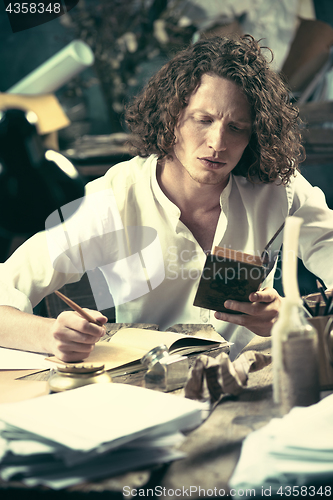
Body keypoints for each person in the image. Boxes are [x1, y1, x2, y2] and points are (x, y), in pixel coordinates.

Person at [1, 34, 333, 361]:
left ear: (254, 134)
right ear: (172, 116)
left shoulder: (278, 189)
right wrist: (50, 335)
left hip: (253, 382)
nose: (217, 142)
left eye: (236, 128)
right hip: (151, 386)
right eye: (203, 120)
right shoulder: (114, 200)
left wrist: (288, 314)